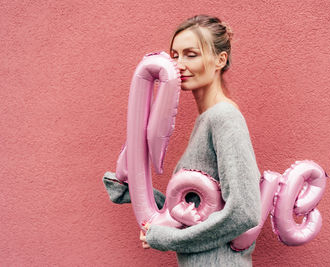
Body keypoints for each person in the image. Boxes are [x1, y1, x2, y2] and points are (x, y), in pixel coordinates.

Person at [103, 15, 261, 267]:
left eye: (191, 54)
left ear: (220, 60)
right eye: (175, 55)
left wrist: (169, 239)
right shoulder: (207, 119)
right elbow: (197, 209)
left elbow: (244, 212)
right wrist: (133, 192)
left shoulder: (224, 117)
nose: (179, 65)